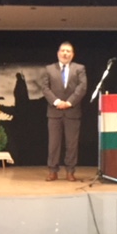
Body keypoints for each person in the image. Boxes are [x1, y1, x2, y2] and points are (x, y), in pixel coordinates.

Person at [41, 41, 87, 181]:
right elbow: (45, 88)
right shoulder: (49, 69)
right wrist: (57, 102)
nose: (65, 53)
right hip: (54, 112)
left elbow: (82, 87)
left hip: (72, 112)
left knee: (72, 144)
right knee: (53, 144)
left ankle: (70, 171)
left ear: (72, 54)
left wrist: (69, 102)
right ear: (58, 53)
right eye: (63, 50)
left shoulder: (79, 68)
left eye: (68, 51)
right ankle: (52, 171)